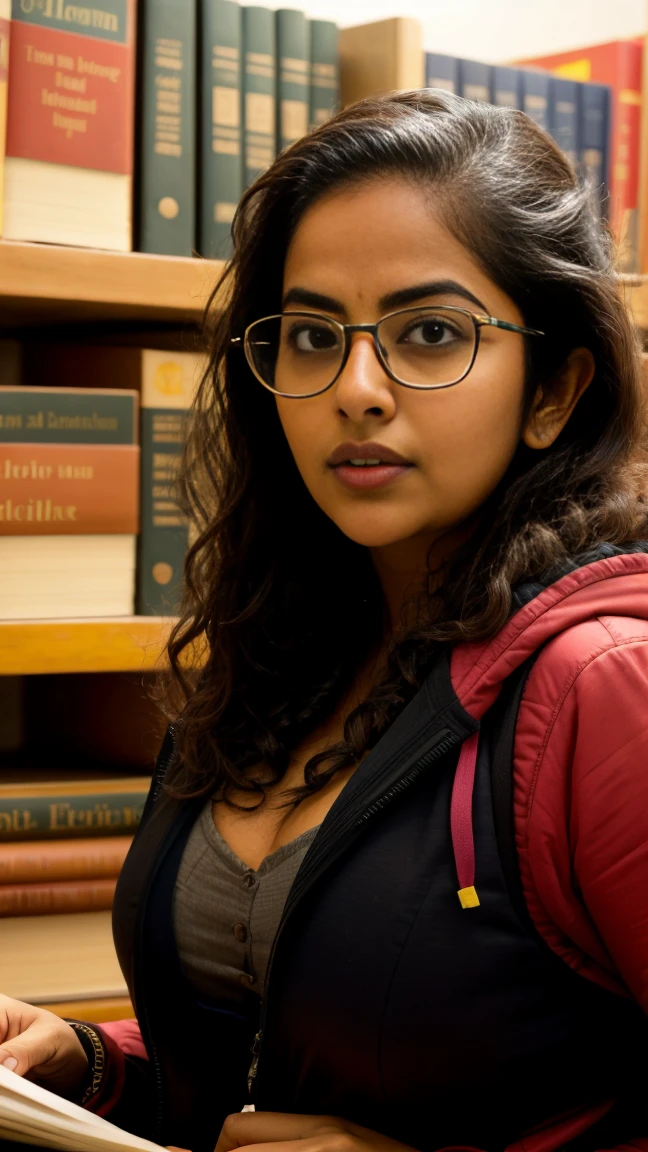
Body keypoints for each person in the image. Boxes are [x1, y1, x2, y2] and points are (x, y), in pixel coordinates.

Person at [1, 90, 648, 1152]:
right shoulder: (276, 653)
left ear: (554, 389)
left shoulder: (607, 682)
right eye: (310, 336)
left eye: (430, 333)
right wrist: (93, 1064)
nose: (355, 389)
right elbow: (285, 1047)